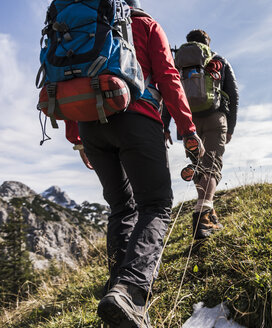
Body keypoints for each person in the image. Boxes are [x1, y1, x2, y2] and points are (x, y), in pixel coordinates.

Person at [65, 0, 204, 327]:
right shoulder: (145, 24)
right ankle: (131, 291)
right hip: (137, 119)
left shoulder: (83, 27)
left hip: (90, 125)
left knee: (120, 207)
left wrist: (77, 138)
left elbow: (71, 80)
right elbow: (169, 77)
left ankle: (117, 291)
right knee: (156, 204)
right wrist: (188, 129)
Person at [179, 29, 239, 239]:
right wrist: (230, 127)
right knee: (211, 165)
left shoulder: (180, 63)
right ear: (207, 43)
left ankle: (207, 211)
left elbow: (172, 91)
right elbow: (233, 94)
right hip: (215, 117)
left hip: (188, 122)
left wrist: (168, 125)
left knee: (198, 167)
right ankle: (202, 217)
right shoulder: (218, 60)